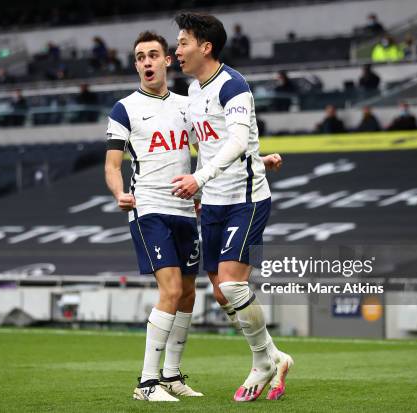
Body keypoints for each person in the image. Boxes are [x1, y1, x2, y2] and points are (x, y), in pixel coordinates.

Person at [172, 12, 291, 402]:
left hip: (246, 199)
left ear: (205, 47)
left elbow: (238, 141)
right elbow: (205, 141)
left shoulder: (233, 85)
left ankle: (262, 363)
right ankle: (277, 356)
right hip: (213, 203)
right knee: (222, 293)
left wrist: (200, 179)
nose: (178, 50)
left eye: (183, 42)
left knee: (233, 283)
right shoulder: (193, 90)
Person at [104, 31, 204, 402]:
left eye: (152, 55)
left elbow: (206, 150)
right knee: (172, 290)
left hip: (184, 210)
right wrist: (119, 193)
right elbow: (113, 165)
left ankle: (173, 375)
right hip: (149, 209)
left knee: (189, 294)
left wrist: (202, 189)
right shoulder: (124, 108)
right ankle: (146, 384)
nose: (146, 62)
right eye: (140, 57)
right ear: (137, 65)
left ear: (166, 61)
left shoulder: (186, 105)